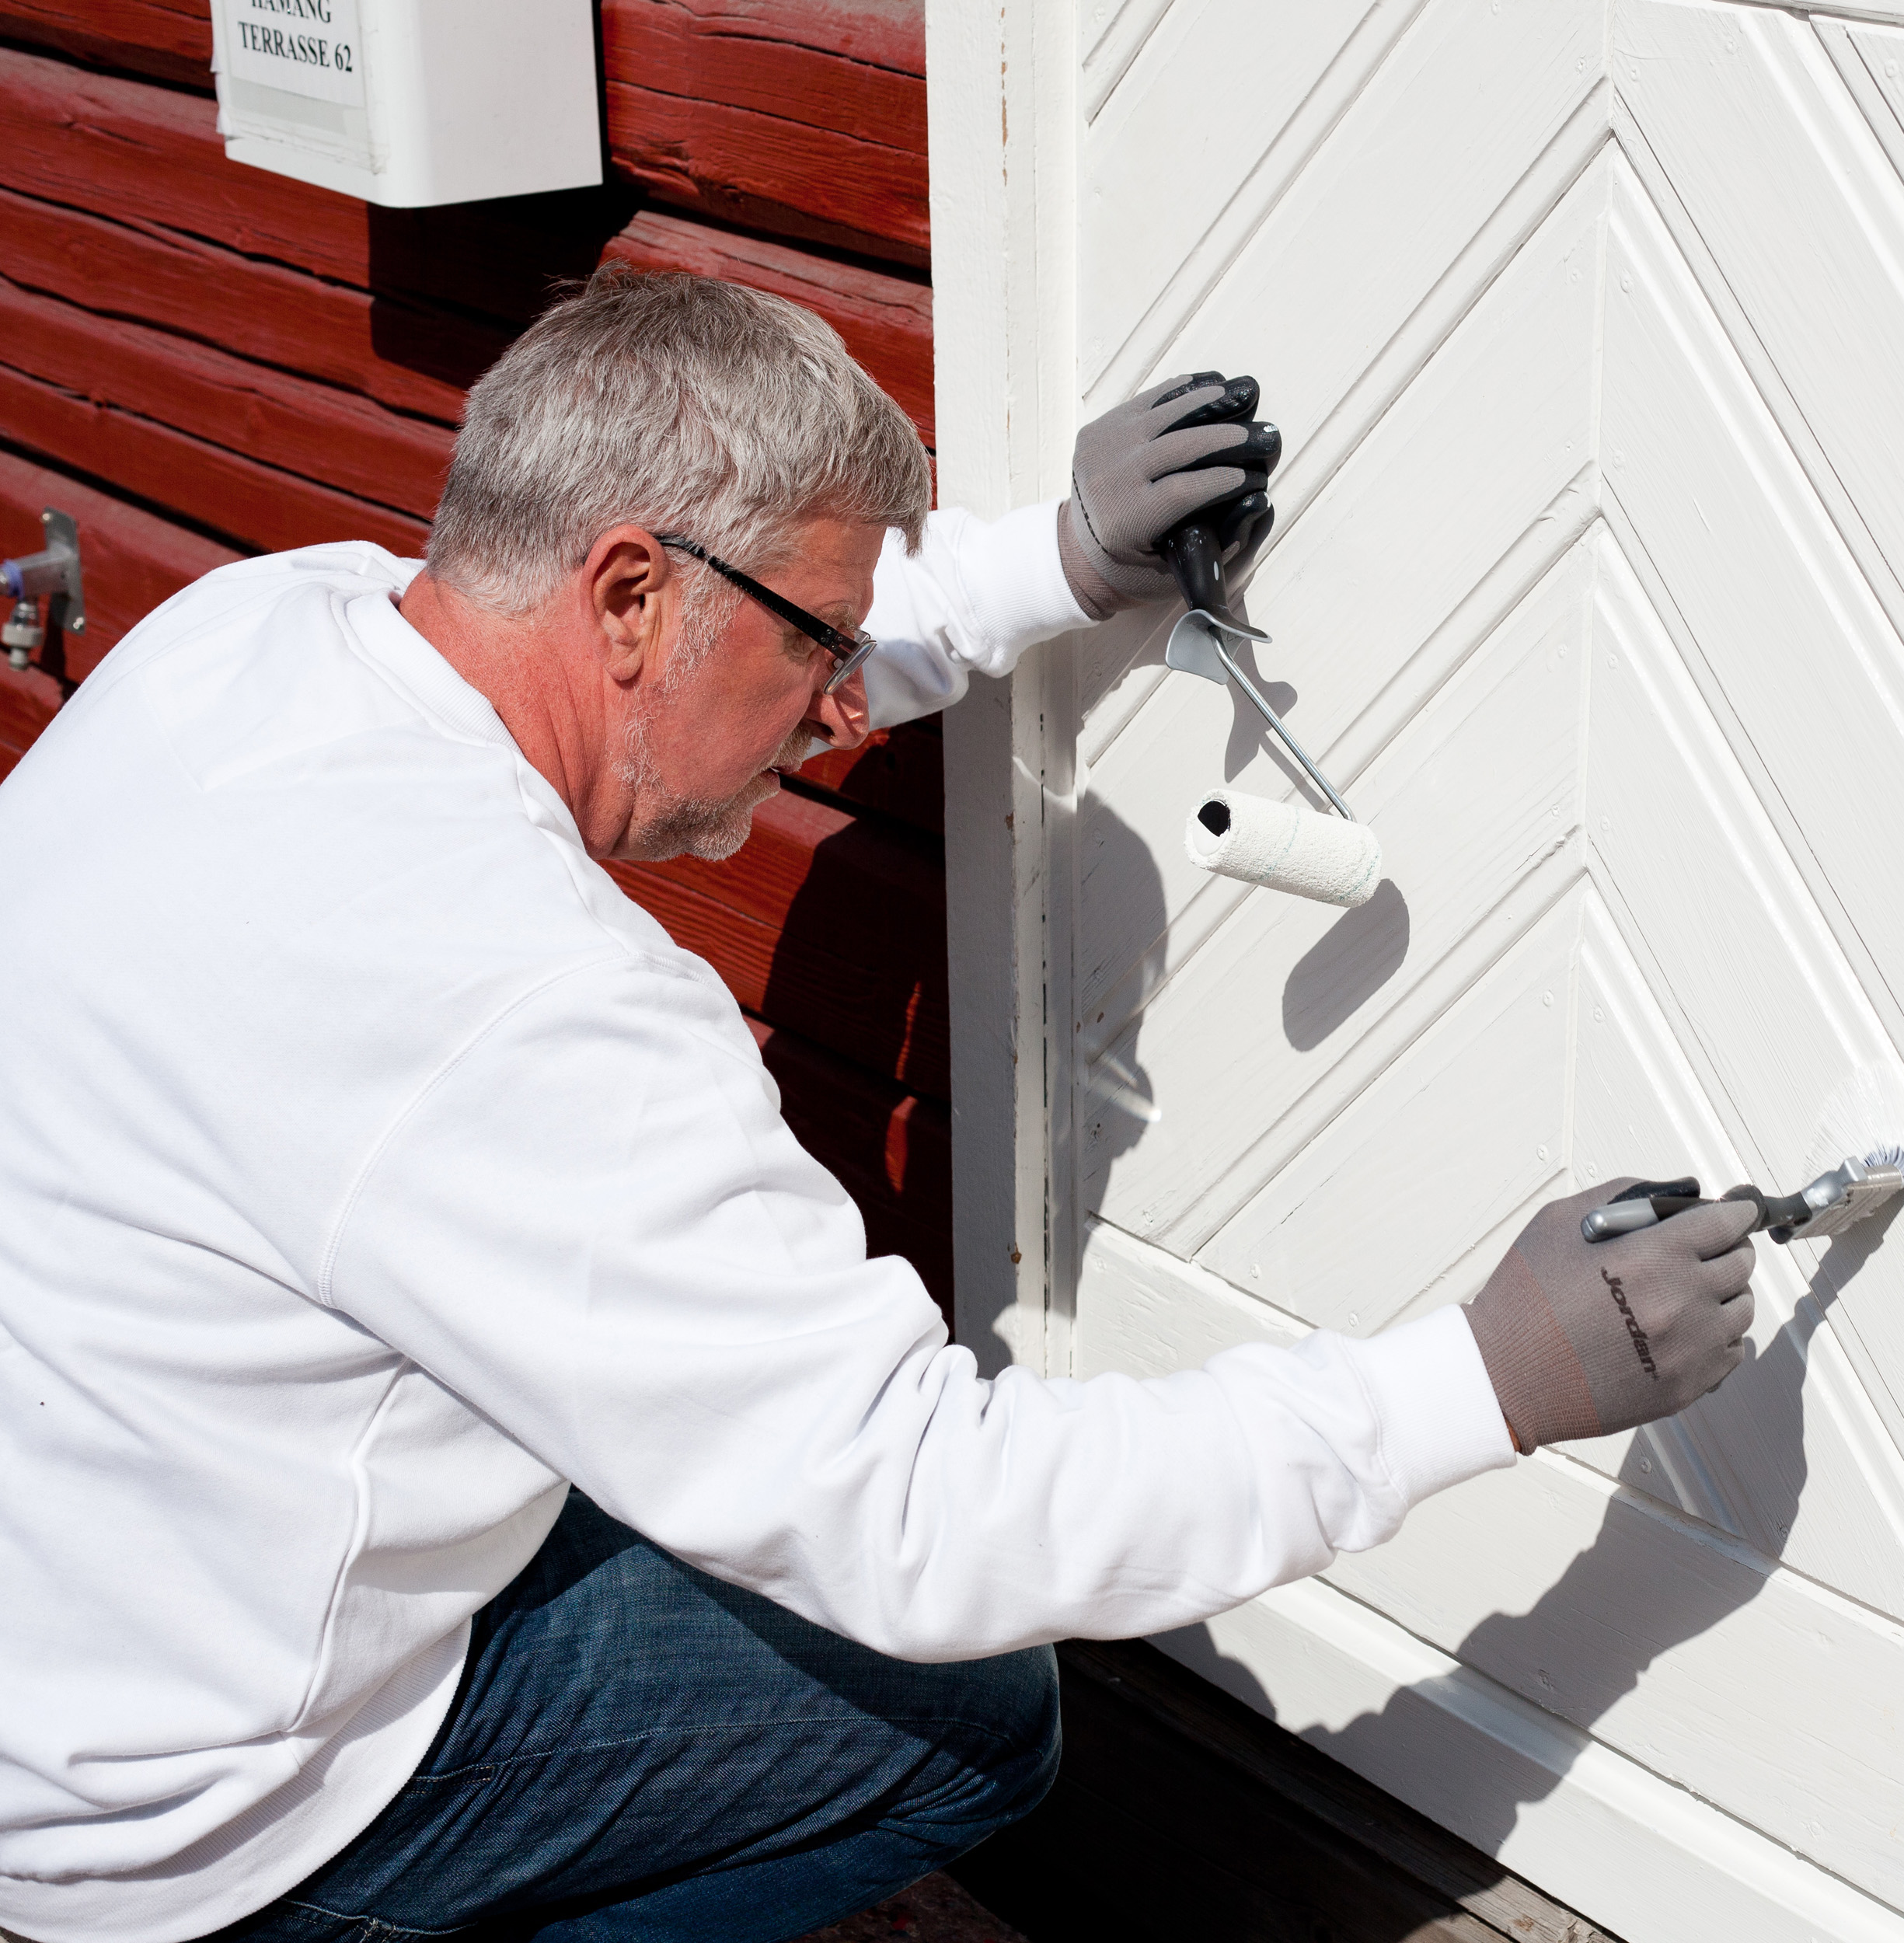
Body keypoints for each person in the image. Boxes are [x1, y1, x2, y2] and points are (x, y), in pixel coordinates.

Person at [0, 268, 1759, 1943]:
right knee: (969, 1709)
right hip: (194, 1812)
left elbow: (720, 635)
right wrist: (1473, 1381)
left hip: (87, 1619)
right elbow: (924, 1517)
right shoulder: (517, 1003)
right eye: (822, 646)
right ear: (626, 596)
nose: (842, 703)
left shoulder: (278, 627)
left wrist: (1040, 566)